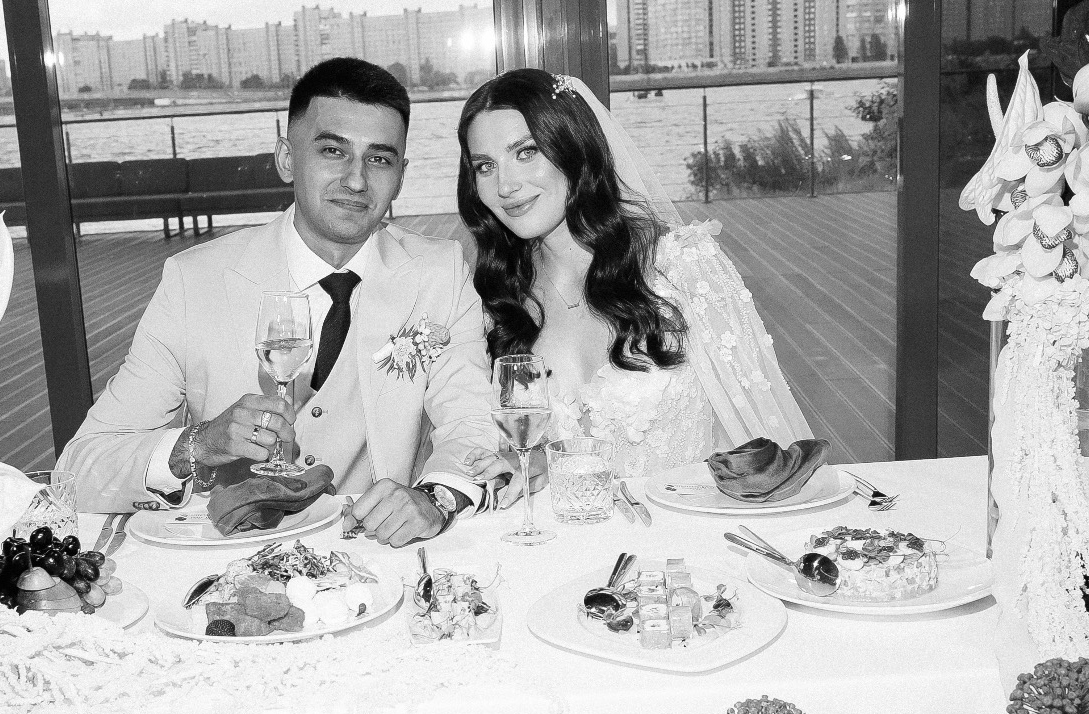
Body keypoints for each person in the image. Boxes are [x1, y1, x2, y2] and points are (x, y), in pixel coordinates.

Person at [56, 58, 496, 545]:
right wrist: (197, 445)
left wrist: (437, 498)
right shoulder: (194, 282)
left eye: (379, 159)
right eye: (333, 151)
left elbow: (472, 424)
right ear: (287, 158)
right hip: (232, 556)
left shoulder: (439, 271)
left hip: (379, 553)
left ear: (401, 175)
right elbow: (79, 469)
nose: (356, 181)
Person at [456, 67, 809, 484]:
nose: (505, 185)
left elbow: (759, 437)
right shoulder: (498, 299)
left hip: (688, 519)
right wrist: (529, 467)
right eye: (485, 166)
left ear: (574, 147)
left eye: (526, 152)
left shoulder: (680, 265)